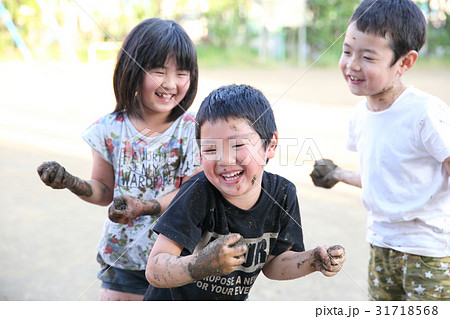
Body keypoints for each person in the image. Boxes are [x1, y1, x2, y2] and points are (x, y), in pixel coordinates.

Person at [36, 18, 202, 301]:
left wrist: (144, 207)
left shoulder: (193, 129)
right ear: (131, 69)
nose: (170, 83)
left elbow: (190, 194)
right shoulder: (109, 129)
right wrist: (71, 182)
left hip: (176, 257)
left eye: (181, 73)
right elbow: (103, 190)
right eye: (159, 71)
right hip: (122, 257)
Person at [143, 84, 346, 301]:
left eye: (238, 145)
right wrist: (201, 264)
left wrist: (312, 260)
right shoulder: (197, 192)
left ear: (271, 145)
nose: (225, 160)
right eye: (211, 149)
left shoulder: (283, 194)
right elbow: (155, 269)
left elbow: (274, 264)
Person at [310, 0, 450, 301]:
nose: (352, 65)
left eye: (368, 57)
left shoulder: (425, 112)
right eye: (347, 51)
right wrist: (337, 174)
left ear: (404, 63)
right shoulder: (361, 115)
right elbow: (382, 175)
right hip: (381, 245)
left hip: (429, 252)